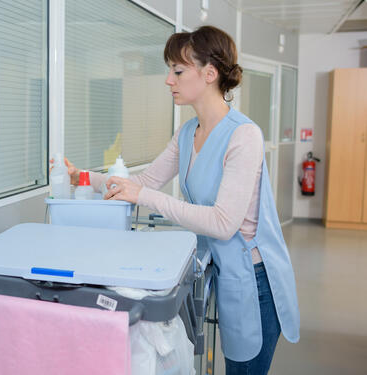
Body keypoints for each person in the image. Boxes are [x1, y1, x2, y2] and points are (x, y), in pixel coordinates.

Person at [58, 26, 300, 374]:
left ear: (210, 73)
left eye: (178, 70)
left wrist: (146, 197)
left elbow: (222, 222)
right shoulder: (189, 133)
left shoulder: (244, 136)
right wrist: (83, 177)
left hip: (254, 280)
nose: (168, 79)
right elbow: (142, 182)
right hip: (218, 268)